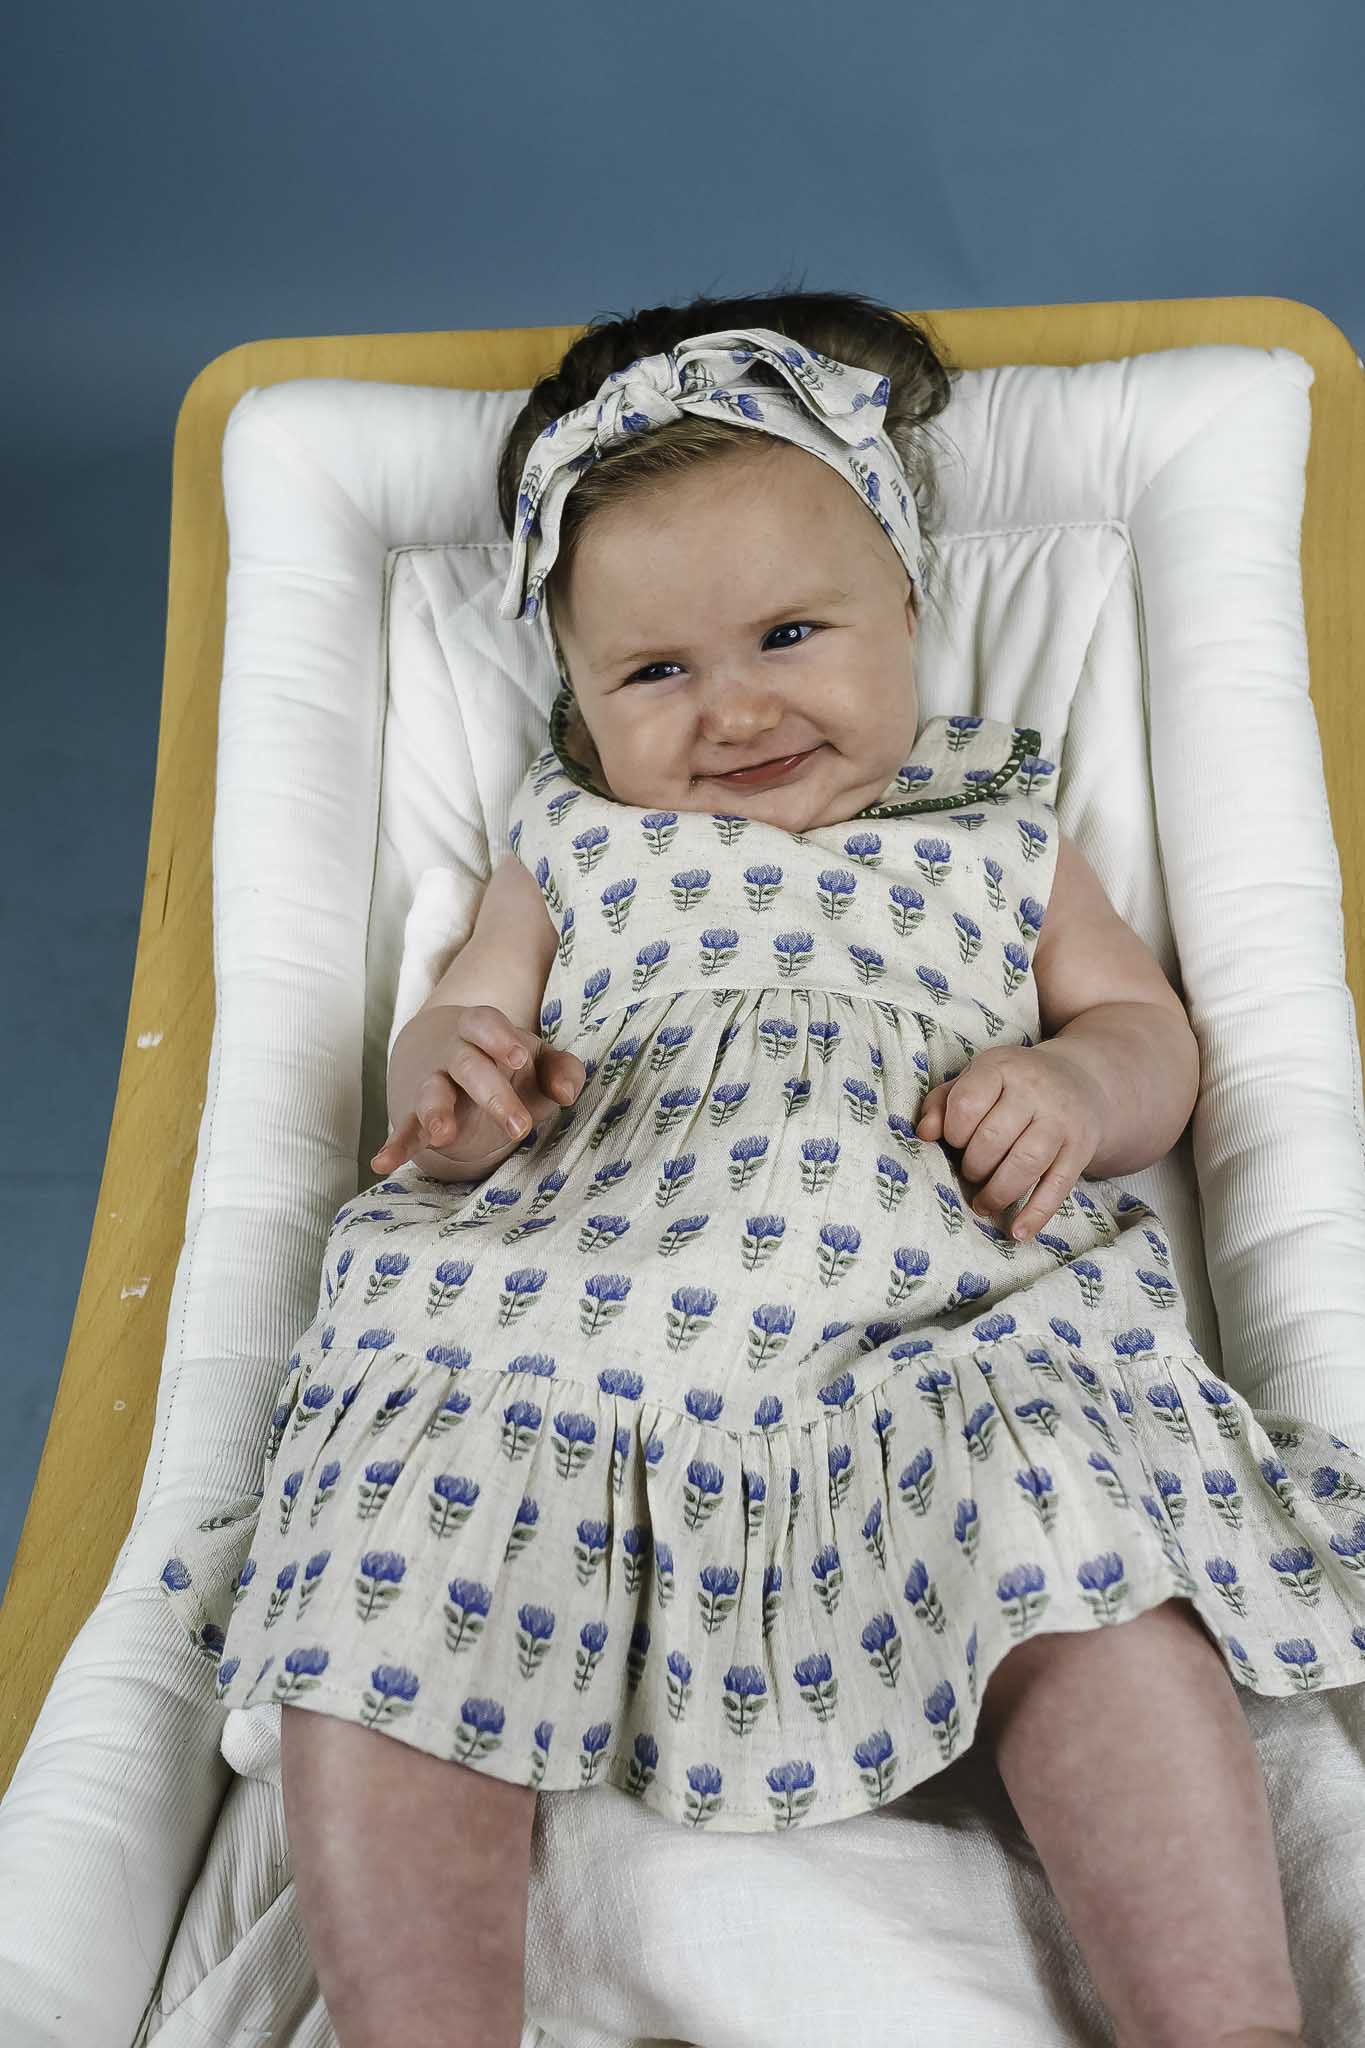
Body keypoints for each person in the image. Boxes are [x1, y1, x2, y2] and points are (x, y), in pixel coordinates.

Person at [160, 288, 1347, 2048]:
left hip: (928, 1331)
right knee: (386, 1539)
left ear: (908, 611)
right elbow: (457, 1027)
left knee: (1088, 1553)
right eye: (654, 672)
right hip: (569, 1326)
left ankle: (1222, 2018)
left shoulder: (999, 835)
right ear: (575, 701)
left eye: (791, 633)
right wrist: (459, 1085)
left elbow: (1144, 1034)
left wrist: (1073, 1083)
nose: (732, 711)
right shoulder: (569, 844)